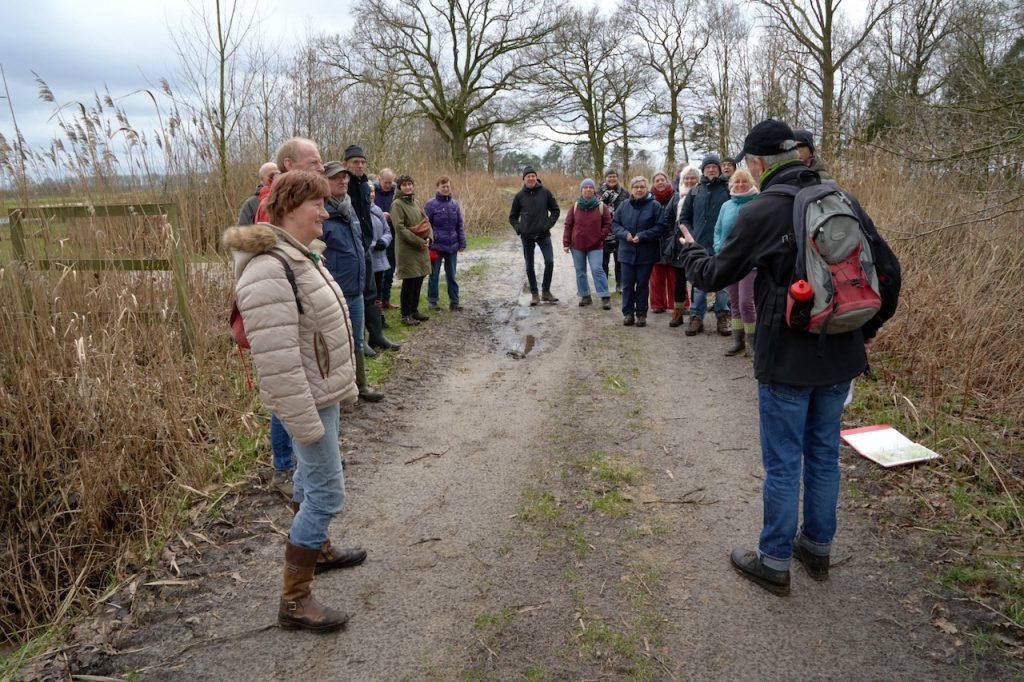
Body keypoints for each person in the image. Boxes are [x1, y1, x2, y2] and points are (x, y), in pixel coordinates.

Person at [676, 119, 901, 596]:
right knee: (823, 456)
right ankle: (817, 550)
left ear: (758, 164)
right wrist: (866, 332)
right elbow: (889, 273)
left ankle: (774, 560)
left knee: (783, 463)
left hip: (786, 360)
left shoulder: (762, 211)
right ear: (799, 155)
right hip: (841, 353)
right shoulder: (842, 200)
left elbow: (716, 274)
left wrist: (688, 252)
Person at [223, 169, 368, 632]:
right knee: (327, 492)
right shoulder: (270, 269)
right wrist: (306, 425)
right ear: (288, 209)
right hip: (306, 398)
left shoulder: (301, 256)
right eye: (317, 205)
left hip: (320, 391)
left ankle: (319, 551)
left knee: (311, 482)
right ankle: (294, 601)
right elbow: (278, 365)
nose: (325, 212)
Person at [256, 138, 325, 497]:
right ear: (288, 165)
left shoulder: (301, 202)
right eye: (313, 162)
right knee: (288, 390)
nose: (320, 166)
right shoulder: (275, 203)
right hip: (286, 322)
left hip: (305, 324)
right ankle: (285, 466)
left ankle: (301, 467)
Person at [321, 162, 384, 402]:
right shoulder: (322, 213)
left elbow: (358, 246)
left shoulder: (350, 209)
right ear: (324, 182)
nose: (343, 181)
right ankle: (339, 394)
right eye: (336, 178)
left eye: (345, 178)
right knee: (336, 345)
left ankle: (361, 387)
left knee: (356, 341)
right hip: (335, 291)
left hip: (356, 289)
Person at [343, 146, 399, 354]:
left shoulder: (366, 187)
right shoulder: (343, 185)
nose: (359, 165)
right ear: (346, 164)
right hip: (349, 248)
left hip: (365, 246)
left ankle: (376, 336)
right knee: (355, 293)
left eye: (362, 162)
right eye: (355, 162)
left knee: (371, 292)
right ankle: (359, 341)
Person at [679, 152, 731, 336]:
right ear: (703, 170)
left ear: (719, 169)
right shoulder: (694, 191)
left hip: (723, 245)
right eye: (708, 167)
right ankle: (696, 317)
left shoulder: (728, 190)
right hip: (699, 245)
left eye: (714, 167)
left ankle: (723, 316)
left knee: (723, 283)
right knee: (699, 283)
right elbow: (684, 218)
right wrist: (692, 237)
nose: (711, 169)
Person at [712, 168, 759, 356]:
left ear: (751, 183)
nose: (740, 185)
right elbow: (717, 230)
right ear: (731, 184)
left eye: (744, 181)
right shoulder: (727, 206)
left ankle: (752, 344)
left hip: (750, 263)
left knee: (746, 302)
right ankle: (738, 341)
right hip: (729, 262)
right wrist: (718, 248)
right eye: (736, 182)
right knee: (734, 302)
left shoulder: (758, 203)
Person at [612, 176, 664, 327]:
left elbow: (660, 227)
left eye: (642, 187)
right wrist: (624, 234)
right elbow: (615, 224)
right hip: (626, 252)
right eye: (636, 187)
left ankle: (641, 313)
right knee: (627, 284)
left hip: (646, 253)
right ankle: (628, 313)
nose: (639, 189)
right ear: (631, 189)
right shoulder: (623, 205)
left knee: (642, 284)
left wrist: (642, 236)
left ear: (647, 188)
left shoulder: (655, 206)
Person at [509, 166, 560, 305]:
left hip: (543, 234)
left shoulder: (545, 192)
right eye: (528, 176)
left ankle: (546, 292)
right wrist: (519, 228)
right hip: (527, 236)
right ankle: (535, 294)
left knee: (549, 262)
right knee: (529, 266)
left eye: (533, 176)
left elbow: (555, 210)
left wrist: (548, 224)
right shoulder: (519, 196)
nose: (530, 178)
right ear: (524, 179)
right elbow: (512, 217)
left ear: (536, 177)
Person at [562, 178, 612, 309]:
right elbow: (568, 225)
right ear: (581, 190)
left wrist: (600, 236)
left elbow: (608, 224)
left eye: (590, 187)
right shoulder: (575, 206)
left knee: (597, 269)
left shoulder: (601, 206)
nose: (588, 189)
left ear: (594, 190)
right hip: (577, 245)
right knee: (580, 271)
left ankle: (605, 296)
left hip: (595, 245)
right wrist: (566, 243)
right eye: (585, 187)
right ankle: (585, 296)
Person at [391, 174, 433, 325]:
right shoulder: (397, 204)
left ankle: (414, 310)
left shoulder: (415, 201)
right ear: (399, 187)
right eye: (404, 185)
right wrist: (418, 241)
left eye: (410, 184)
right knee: (409, 281)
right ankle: (406, 314)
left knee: (419, 278)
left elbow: (425, 221)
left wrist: (429, 237)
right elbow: (399, 228)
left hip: (420, 247)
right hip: (407, 249)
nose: (408, 187)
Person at [255, 137, 325, 224]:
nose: (322, 168)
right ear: (289, 164)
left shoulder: (308, 197)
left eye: (320, 162)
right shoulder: (273, 204)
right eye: (313, 163)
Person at [424, 176, 467, 312]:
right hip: (436, 246)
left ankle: (454, 302)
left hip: (452, 246)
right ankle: (432, 302)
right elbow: (426, 225)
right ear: (438, 188)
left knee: (452, 275)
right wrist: (429, 240)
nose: (446, 189)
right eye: (443, 186)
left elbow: (459, 225)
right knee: (434, 275)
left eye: (448, 186)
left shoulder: (454, 204)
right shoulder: (431, 204)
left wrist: (462, 242)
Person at [665, 167, 700, 328]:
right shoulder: (676, 197)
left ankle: (695, 314)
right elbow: (668, 218)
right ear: (682, 180)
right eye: (687, 178)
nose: (689, 181)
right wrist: (674, 234)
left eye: (693, 178)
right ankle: (678, 312)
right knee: (679, 280)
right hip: (679, 245)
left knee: (696, 279)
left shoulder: (701, 195)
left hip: (697, 243)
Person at [648, 171, 678, 314]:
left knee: (675, 275)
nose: (660, 182)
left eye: (663, 180)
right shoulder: (648, 198)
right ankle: (657, 304)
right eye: (657, 180)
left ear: (667, 181)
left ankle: (678, 304)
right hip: (655, 241)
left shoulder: (675, 196)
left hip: (672, 239)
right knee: (656, 275)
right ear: (653, 183)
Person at [598, 169, 630, 293]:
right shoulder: (598, 192)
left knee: (619, 260)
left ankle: (620, 285)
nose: (612, 179)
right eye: (609, 177)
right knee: (603, 261)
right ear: (605, 178)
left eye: (614, 176)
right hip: (604, 231)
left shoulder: (624, 193)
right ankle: (604, 285)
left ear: (618, 178)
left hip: (620, 231)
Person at [368, 185, 393, 328]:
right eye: (368, 191)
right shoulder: (357, 211)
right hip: (368, 258)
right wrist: (373, 245)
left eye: (372, 191)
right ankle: (372, 321)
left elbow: (387, 231)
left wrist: (384, 241)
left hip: (380, 258)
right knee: (369, 292)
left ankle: (380, 318)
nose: (371, 194)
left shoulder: (377, 210)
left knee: (378, 290)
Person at [372, 168, 398, 309]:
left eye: (390, 182)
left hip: (393, 235)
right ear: (379, 179)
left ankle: (386, 300)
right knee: (379, 273)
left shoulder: (396, 194)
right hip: (378, 236)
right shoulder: (372, 192)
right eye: (385, 182)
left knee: (390, 271)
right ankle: (378, 301)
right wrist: (381, 215)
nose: (388, 185)